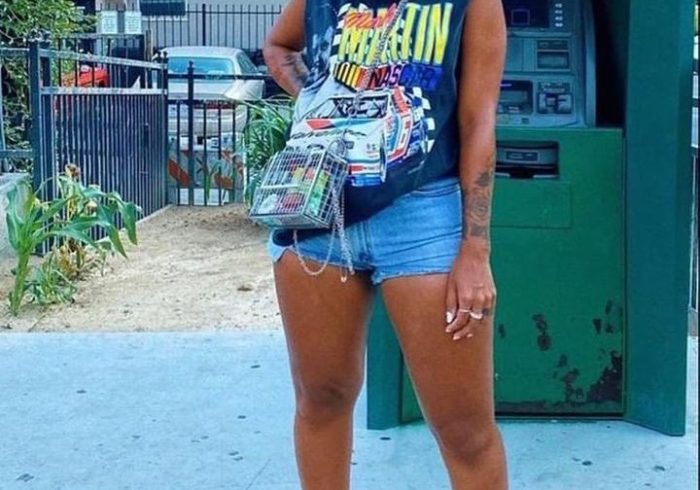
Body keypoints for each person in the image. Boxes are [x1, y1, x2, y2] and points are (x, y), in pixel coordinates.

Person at [263, 0, 508, 488]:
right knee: (321, 399)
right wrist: (322, 99)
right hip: (318, 210)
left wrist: (475, 250)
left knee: (464, 430)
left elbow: (479, 120)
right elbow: (279, 45)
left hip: (422, 214)